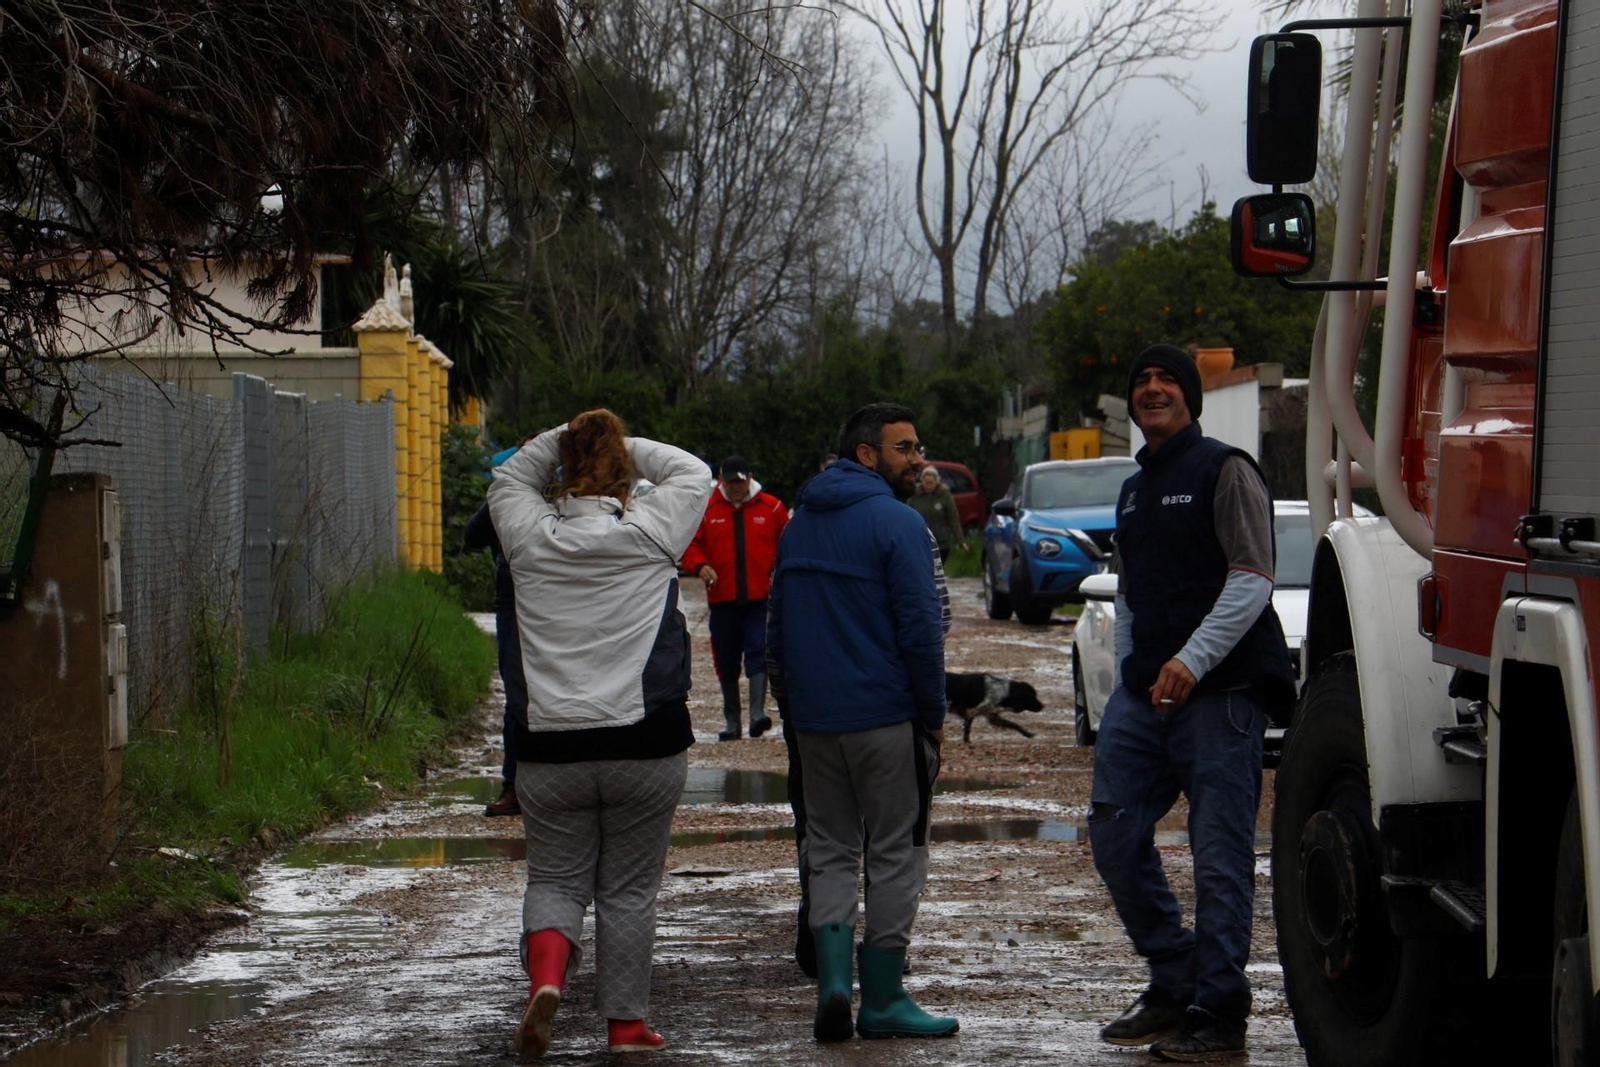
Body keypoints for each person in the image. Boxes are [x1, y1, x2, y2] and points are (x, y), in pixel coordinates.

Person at [1089, 345, 1295, 1062]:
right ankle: (1174, 977)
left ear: (1190, 397)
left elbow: (1252, 577)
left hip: (1222, 694)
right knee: (1113, 832)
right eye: (1140, 379)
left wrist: (1191, 659)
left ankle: (1219, 1007)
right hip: (1147, 696)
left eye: (1166, 379)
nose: (1151, 388)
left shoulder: (1225, 468)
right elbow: (1128, 589)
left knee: (1219, 854)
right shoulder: (1135, 489)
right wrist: (1126, 673)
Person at [487, 409, 712, 1059]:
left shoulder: (527, 536)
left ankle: (549, 977)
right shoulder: (651, 530)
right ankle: (625, 1026)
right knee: (629, 888)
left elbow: (510, 475)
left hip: (551, 745)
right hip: (646, 741)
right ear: (623, 477)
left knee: (555, 879)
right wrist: (620, 447)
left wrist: (565, 438)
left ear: (562, 472)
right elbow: (691, 470)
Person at [767, 402, 958, 1043]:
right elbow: (922, 630)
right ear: (867, 455)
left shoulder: (796, 527)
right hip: (885, 718)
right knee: (896, 853)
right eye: (905, 448)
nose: (919, 458)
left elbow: (777, 629)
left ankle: (832, 985)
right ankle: (881, 997)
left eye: (917, 446)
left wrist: (793, 712)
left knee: (827, 849)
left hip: (817, 724)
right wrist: (932, 717)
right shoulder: (897, 524)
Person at [679, 456, 789, 741]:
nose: (736, 487)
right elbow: (690, 544)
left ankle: (756, 714)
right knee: (725, 658)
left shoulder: (772, 507)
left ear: (750, 478)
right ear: (722, 480)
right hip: (722, 598)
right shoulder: (706, 508)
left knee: (758, 651)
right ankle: (732, 721)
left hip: (759, 598)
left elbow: (787, 545)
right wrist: (699, 565)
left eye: (741, 481)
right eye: (731, 482)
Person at [462, 493, 525, 817]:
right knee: (518, 695)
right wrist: (499, 497)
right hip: (513, 601)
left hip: (564, 600)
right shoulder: (508, 494)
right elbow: (473, 535)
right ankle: (514, 786)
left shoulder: (571, 494)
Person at [908, 466, 965, 564]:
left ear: (936, 482)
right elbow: (908, 517)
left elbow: (953, 518)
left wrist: (959, 540)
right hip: (921, 541)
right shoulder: (915, 495)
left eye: (931, 483)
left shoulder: (944, 494)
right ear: (922, 482)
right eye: (926, 483)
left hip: (941, 542)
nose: (929, 486)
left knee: (937, 570)